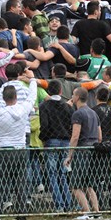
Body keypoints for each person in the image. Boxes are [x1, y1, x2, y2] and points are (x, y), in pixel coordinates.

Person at [0, 80, 38, 217]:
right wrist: (33, 80)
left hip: (4, 150)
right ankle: (22, 212)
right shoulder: (23, 109)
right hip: (20, 149)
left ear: (3, 99)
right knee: (21, 182)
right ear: (16, 97)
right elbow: (32, 96)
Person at [64, 87, 102, 217]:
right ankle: (97, 211)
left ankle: (86, 211)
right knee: (88, 184)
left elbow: (75, 136)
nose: (72, 97)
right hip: (93, 150)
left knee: (75, 185)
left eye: (73, 94)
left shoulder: (78, 114)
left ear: (77, 97)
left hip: (82, 150)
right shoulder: (93, 113)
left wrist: (69, 155)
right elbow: (100, 136)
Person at [38, 81, 73, 213]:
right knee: (62, 173)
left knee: (52, 174)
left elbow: (45, 125)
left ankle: (59, 204)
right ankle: (67, 203)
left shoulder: (44, 106)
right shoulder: (67, 107)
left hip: (51, 141)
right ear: (60, 91)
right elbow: (71, 124)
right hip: (65, 141)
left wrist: (43, 138)